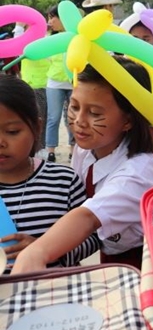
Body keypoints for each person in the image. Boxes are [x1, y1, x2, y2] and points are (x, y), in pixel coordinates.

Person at [11, 57, 153, 273]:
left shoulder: (137, 173)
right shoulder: (85, 150)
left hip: (144, 264)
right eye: (74, 107)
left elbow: (88, 217)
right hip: (111, 255)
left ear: (128, 120)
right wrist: (44, 243)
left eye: (95, 113)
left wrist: (38, 251)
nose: (79, 121)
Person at [0, 75, 101, 271]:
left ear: (37, 128)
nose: (1, 143)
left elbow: (94, 238)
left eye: (12, 132)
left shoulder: (64, 181)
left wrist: (48, 250)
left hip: (56, 292)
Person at [45, 5, 74, 163]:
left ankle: (73, 149)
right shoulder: (49, 38)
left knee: (72, 118)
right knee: (53, 118)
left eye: (52, 17)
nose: (50, 22)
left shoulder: (75, 36)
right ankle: (50, 151)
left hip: (73, 82)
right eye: (48, 18)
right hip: (54, 82)